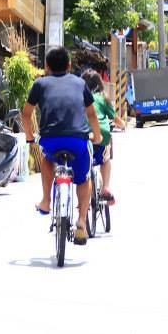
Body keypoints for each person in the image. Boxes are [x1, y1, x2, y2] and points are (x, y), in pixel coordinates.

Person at [21, 47, 102, 246]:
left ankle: (46, 201)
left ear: (46, 66)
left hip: (50, 139)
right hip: (77, 140)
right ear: (69, 65)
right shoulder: (80, 83)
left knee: (48, 159)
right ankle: (81, 223)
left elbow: (26, 113)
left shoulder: (39, 84)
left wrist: (30, 137)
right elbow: (91, 114)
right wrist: (97, 136)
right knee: (82, 179)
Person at [81, 68, 125, 205]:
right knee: (105, 159)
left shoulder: (78, 98)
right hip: (101, 135)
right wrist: (122, 124)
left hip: (83, 135)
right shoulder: (103, 98)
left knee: (83, 164)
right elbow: (115, 119)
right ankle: (105, 186)